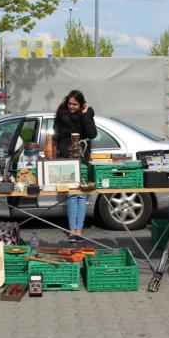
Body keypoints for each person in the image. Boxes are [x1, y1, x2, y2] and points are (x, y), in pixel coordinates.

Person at [54, 90, 97, 243]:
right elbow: (56, 136)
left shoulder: (87, 113)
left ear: (81, 104)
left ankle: (80, 229)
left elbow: (92, 134)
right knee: (72, 194)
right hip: (67, 158)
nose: (71, 106)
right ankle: (73, 230)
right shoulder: (61, 113)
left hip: (83, 157)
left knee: (81, 194)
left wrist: (85, 114)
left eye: (75, 104)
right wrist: (57, 155)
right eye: (70, 103)